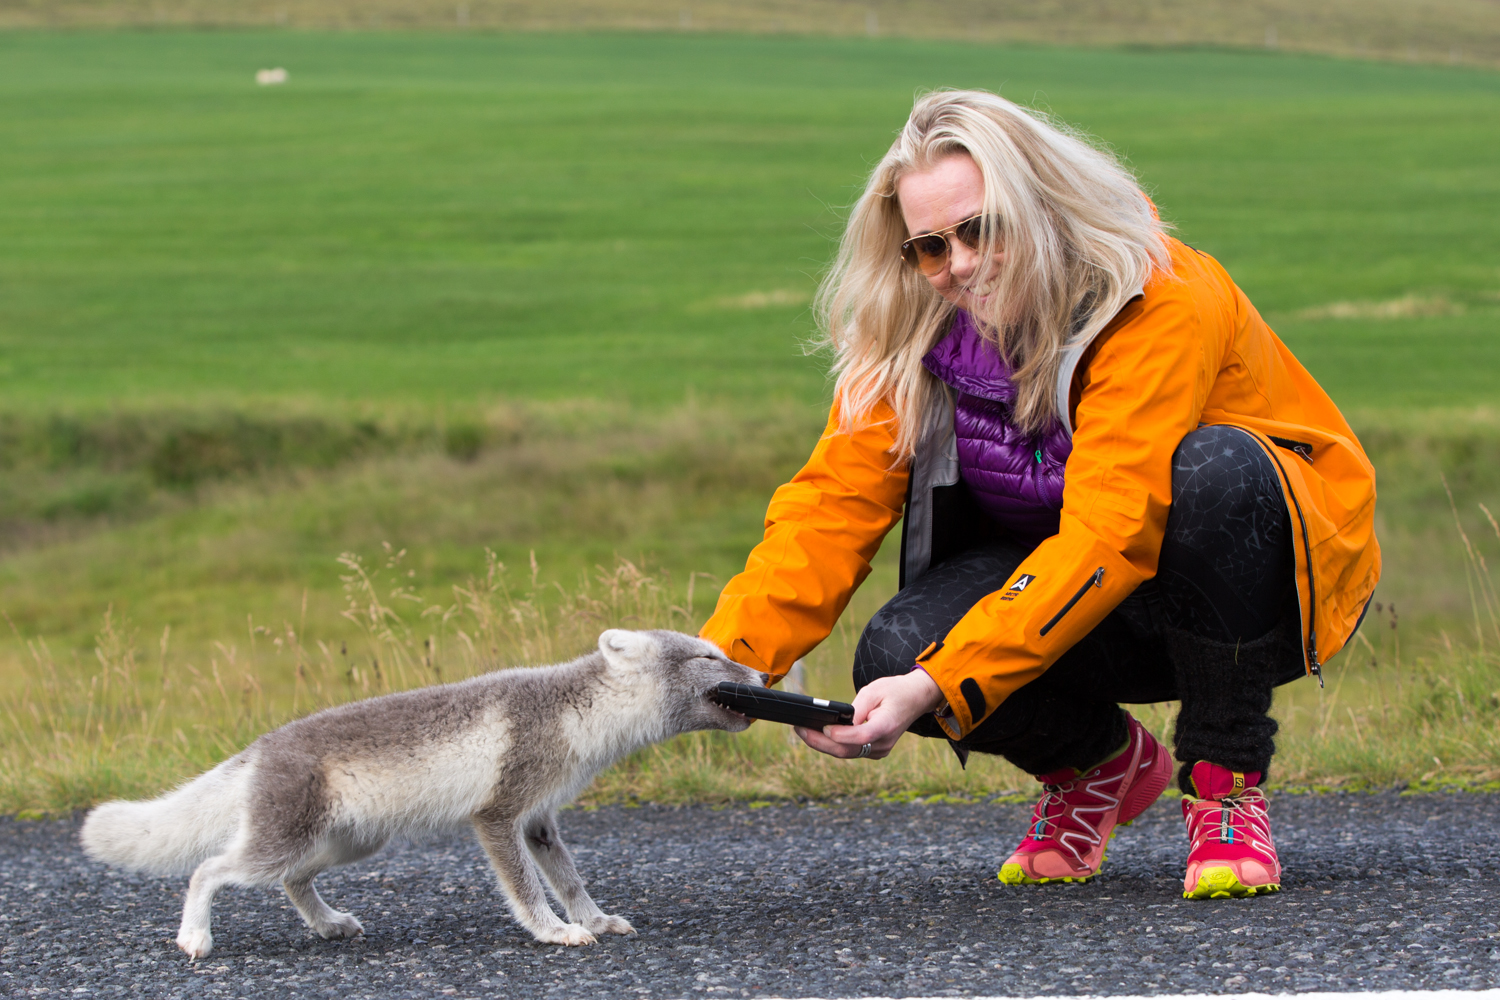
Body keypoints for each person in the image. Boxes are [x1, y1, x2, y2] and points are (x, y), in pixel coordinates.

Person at [699, 89, 1379, 899]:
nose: (958, 265)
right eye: (928, 246)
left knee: (1214, 470)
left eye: (980, 229)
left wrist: (944, 684)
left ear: (1041, 205)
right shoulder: (913, 328)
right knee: (898, 652)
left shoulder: (1156, 296)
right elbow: (831, 505)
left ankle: (1224, 782)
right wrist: (723, 661)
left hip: (1252, 592)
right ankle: (1099, 766)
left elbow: (1113, 532)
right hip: (1076, 596)